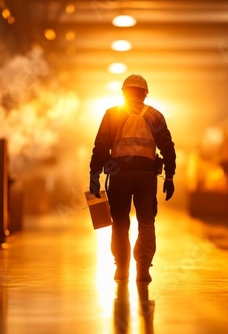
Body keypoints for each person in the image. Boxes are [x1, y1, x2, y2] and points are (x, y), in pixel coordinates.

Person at [89, 74, 176, 283]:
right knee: (146, 222)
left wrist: (94, 174)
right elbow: (168, 148)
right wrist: (170, 177)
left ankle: (121, 268)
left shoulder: (113, 114)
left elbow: (100, 146)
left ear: (124, 92)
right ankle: (143, 269)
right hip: (146, 177)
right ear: (145, 93)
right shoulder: (155, 116)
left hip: (119, 176)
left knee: (120, 222)